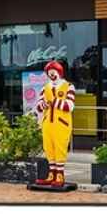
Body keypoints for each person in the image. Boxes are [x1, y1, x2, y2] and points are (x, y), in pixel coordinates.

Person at [34, 60, 75, 188]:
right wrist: (43, 104)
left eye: (54, 72)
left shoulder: (68, 86)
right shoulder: (45, 88)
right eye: (49, 72)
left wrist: (54, 101)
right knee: (48, 147)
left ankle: (60, 175)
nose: (51, 75)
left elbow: (70, 106)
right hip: (47, 123)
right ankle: (51, 174)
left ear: (59, 72)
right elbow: (38, 107)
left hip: (61, 123)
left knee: (60, 147)